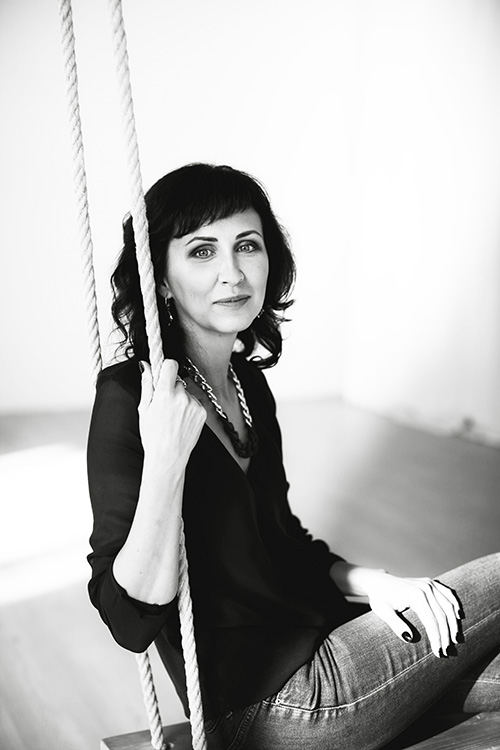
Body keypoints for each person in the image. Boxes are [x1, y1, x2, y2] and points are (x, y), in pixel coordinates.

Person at [87, 163, 500, 750]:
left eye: (247, 245)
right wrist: (165, 459)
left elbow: (283, 542)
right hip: (279, 705)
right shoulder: (133, 396)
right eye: (202, 251)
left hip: (325, 652)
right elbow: (129, 619)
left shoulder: (247, 386)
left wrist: (379, 585)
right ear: (160, 280)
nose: (233, 273)